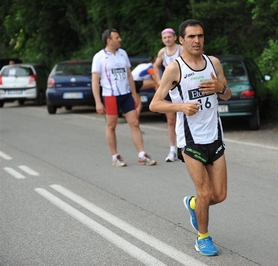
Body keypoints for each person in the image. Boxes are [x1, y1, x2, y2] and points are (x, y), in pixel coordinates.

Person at [150, 19, 232, 256]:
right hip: (190, 140)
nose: (197, 40)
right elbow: (155, 104)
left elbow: (226, 95)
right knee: (205, 192)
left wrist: (220, 88)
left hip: (215, 137)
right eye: (192, 37)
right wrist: (181, 107)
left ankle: (193, 204)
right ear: (181, 40)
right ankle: (203, 237)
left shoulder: (213, 63)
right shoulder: (175, 68)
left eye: (201, 36)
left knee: (220, 195)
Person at [91, 29, 156, 167]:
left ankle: (142, 154)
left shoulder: (123, 53)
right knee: (111, 126)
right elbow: (95, 81)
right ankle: (115, 156)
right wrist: (97, 101)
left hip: (126, 94)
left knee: (135, 123)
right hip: (110, 96)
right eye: (117, 37)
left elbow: (129, 75)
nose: (120, 39)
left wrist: (133, 93)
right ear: (109, 40)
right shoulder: (99, 57)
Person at [153, 28, 183, 162]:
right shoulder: (162, 52)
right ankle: (172, 150)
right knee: (171, 120)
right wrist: (159, 81)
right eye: (164, 38)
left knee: (185, 116)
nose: (167, 40)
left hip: (182, 88)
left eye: (169, 37)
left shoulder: (181, 49)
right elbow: (156, 66)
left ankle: (185, 146)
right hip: (169, 89)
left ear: (175, 38)